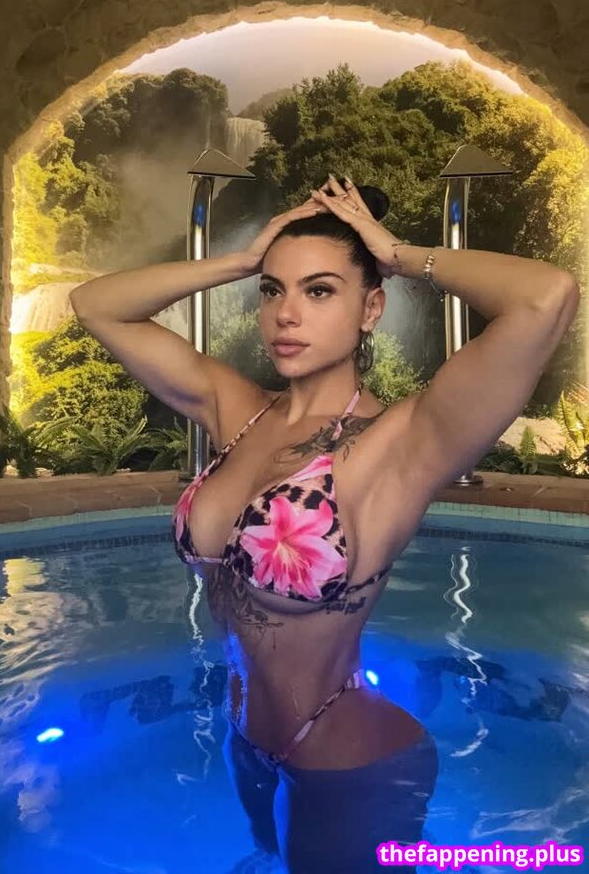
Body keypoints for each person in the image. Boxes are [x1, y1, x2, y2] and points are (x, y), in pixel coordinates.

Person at [70, 173, 579, 873]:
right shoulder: (237, 411)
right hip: (245, 735)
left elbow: (546, 296)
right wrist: (241, 260)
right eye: (271, 291)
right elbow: (95, 305)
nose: (286, 314)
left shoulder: (401, 443)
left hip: (346, 758)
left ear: (371, 308)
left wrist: (397, 255)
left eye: (319, 291)